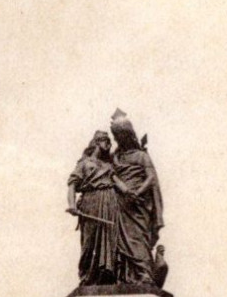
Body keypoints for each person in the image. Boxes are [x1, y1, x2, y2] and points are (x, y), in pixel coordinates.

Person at [109, 109, 164, 285]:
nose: (118, 139)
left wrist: (137, 193)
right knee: (119, 240)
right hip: (120, 202)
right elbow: (109, 174)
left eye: (121, 135)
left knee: (138, 237)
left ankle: (144, 273)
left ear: (128, 135)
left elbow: (151, 178)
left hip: (138, 204)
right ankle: (124, 276)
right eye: (116, 136)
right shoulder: (114, 157)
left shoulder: (141, 156)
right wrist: (125, 191)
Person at [67, 131, 122, 286]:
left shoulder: (108, 166)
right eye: (106, 141)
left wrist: (134, 194)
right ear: (97, 142)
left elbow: (119, 184)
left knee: (110, 240)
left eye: (110, 143)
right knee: (89, 242)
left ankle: (106, 275)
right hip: (90, 202)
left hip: (109, 203)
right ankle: (86, 276)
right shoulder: (84, 163)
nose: (109, 145)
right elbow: (72, 184)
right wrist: (72, 205)